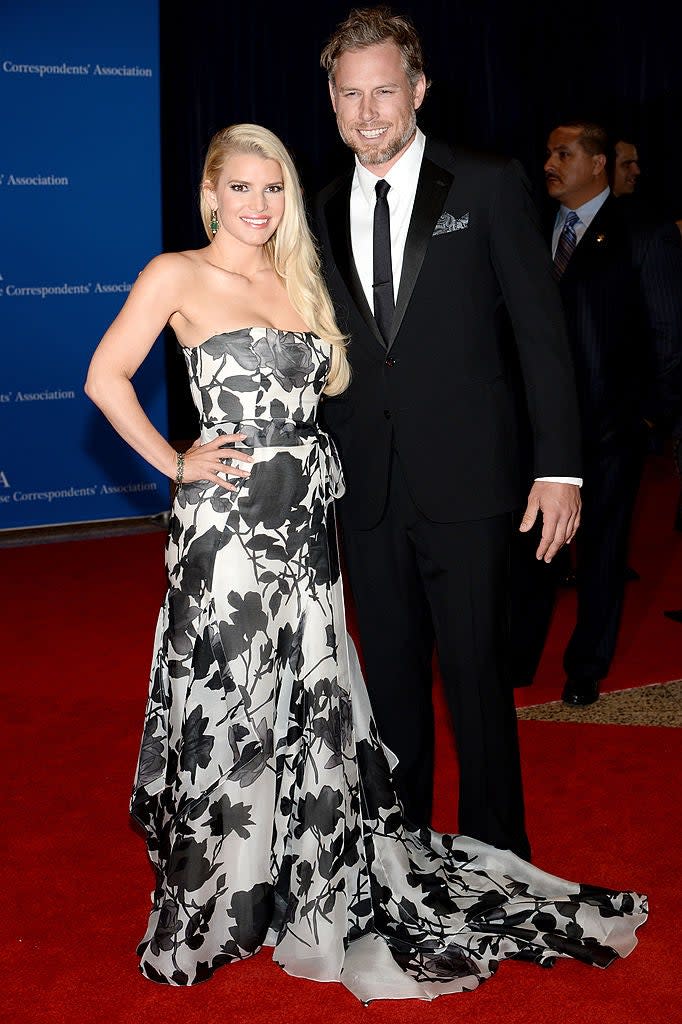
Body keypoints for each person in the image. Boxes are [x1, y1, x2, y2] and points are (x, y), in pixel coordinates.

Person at [85, 122, 646, 1001]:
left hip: (309, 530)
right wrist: (176, 461)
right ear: (209, 193)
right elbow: (104, 377)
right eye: (241, 187)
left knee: (309, 700)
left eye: (273, 188)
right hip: (227, 533)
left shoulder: (300, 279)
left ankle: (292, 878)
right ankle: (216, 900)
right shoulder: (175, 273)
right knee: (232, 701)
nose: (259, 205)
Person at [315, 5, 581, 861]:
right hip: (368, 489)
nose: (368, 112)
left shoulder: (487, 181)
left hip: (471, 484)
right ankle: (402, 860)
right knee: (390, 691)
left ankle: (499, 859)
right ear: (331, 99)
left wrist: (561, 471)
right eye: (350, 94)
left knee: (476, 686)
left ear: (419, 90)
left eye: (384, 90)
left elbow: (543, 335)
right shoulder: (315, 209)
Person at [514, 121, 682, 707]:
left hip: (612, 426)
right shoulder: (531, 229)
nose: (549, 164)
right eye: (548, 152)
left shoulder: (643, 231)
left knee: (603, 550)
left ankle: (586, 665)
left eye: (563, 153)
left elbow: (668, 331)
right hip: (535, 426)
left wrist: (651, 417)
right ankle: (519, 654)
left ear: (599, 163)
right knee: (532, 541)